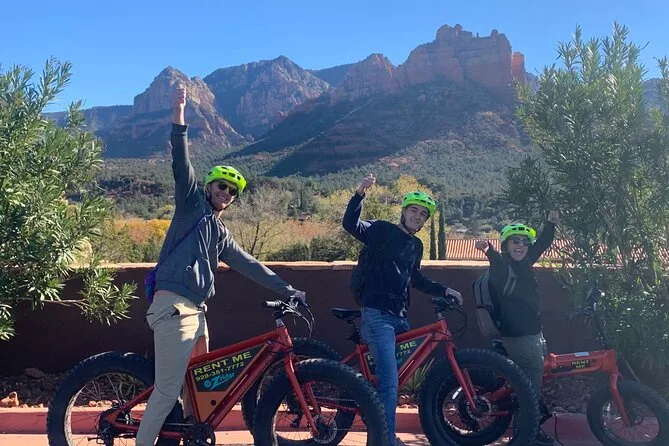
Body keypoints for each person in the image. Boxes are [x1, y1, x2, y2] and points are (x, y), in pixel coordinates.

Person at [136, 87, 306, 445]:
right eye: (221, 186)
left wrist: (288, 289)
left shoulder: (220, 233)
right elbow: (181, 162)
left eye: (232, 191)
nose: (225, 193)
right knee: (167, 391)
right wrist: (178, 113)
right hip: (173, 306)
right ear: (209, 186)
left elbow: (249, 264)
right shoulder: (191, 207)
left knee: (196, 387)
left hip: (197, 312)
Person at [343, 174, 463, 446]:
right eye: (414, 210)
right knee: (389, 383)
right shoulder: (383, 230)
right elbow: (351, 224)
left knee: (391, 380)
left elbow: (416, 279)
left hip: (399, 318)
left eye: (423, 214)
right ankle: (385, 441)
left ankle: (379, 429)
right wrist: (360, 193)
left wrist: (445, 290)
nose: (417, 217)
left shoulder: (416, 245)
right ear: (404, 211)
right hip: (377, 315)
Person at [474, 212, 559, 446]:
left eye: (524, 241)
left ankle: (527, 429)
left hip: (533, 335)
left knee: (530, 383)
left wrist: (550, 223)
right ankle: (526, 434)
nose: (521, 245)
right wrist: (489, 251)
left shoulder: (525, 263)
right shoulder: (503, 268)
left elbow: (542, 244)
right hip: (518, 338)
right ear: (506, 245)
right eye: (515, 241)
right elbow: (497, 266)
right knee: (529, 389)